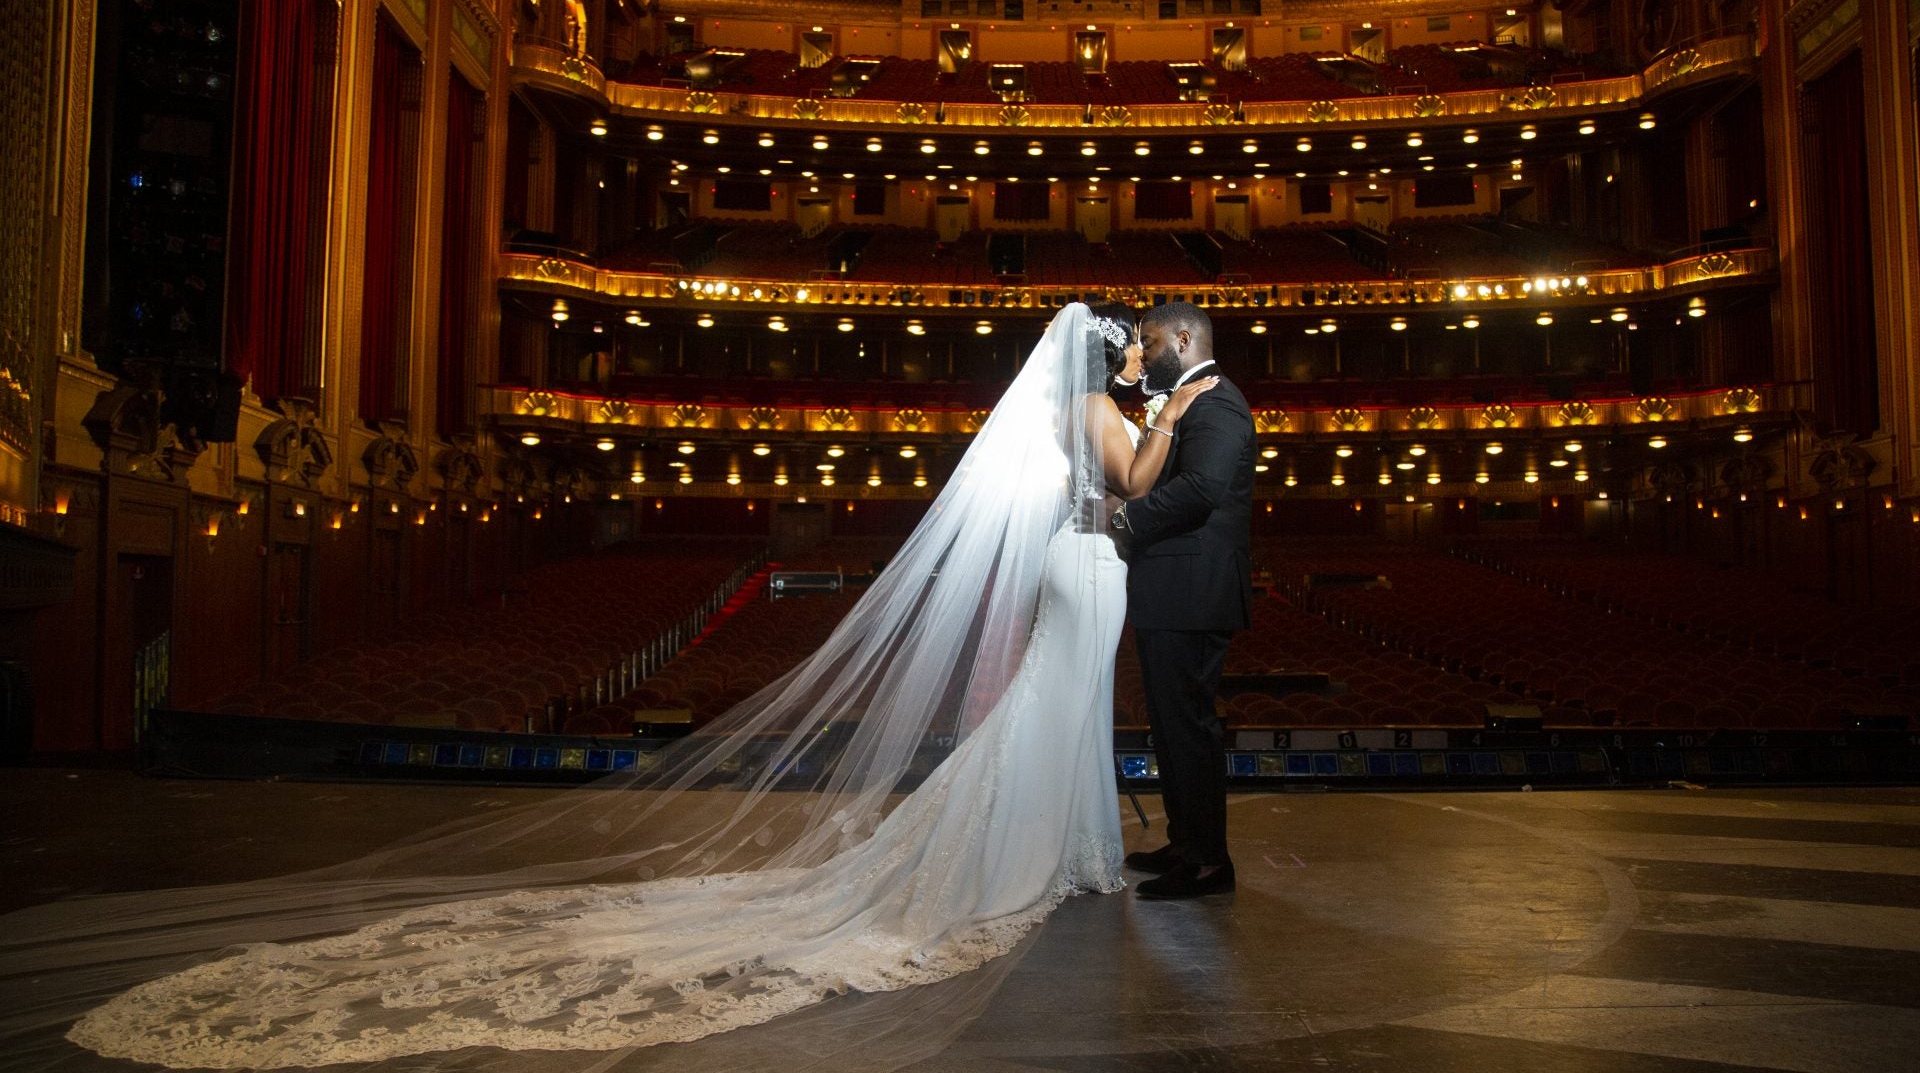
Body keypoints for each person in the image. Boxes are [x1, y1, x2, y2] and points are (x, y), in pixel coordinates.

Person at [11, 302, 1218, 1071]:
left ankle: (1069, 851)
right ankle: (1057, 857)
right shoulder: (1099, 411)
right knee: (1061, 708)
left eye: (1144, 354)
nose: (1137, 361)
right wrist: (1171, 409)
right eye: (1133, 350)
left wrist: (1155, 407)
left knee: (1056, 712)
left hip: (1083, 564)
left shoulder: (1065, 402)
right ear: (1106, 355)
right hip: (1088, 561)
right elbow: (1140, 470)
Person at [1109, 301, 1256, 899]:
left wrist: (1124, 517)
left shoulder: (1216, 398)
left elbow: (1202, 489)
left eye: (1150, 341)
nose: (1142, 353)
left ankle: (1207, 862)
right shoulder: (1189, 398)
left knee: (1188, 728)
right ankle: (1185, 841)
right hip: (1175, 586)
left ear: (1185, 337)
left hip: (1193, 587)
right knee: (1171, 728)